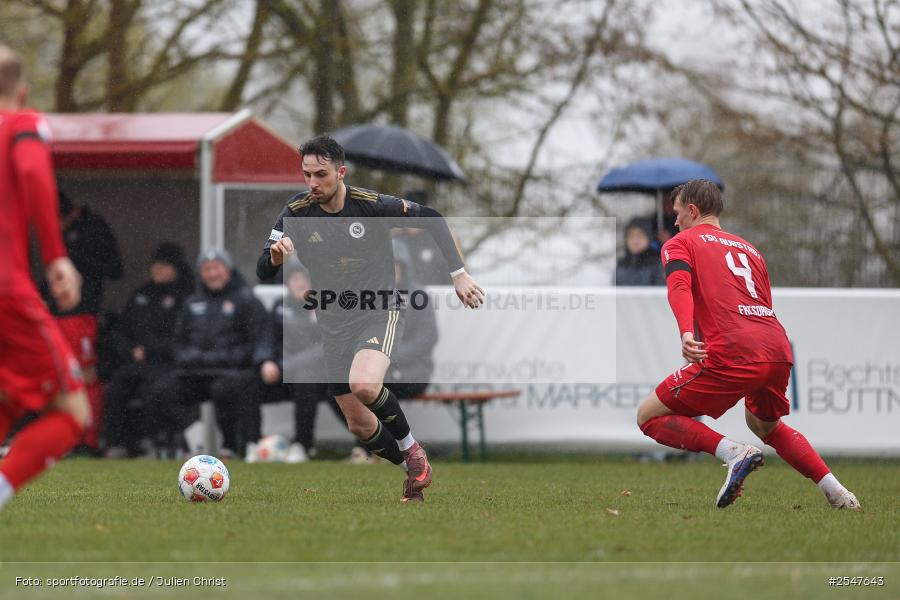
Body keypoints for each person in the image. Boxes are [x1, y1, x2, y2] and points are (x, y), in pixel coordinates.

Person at [257, 135, 484, 503]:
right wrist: (276, 258)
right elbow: (262, 268)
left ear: (341, 172)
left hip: (379, 309)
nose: (313, 183)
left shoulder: (373, 205)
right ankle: (412, 472)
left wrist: (458, 273)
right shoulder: (295, 212)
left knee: (364, 385)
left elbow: (433, 219)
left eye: (321, 174)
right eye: (306, 175)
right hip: (333, 322)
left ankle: (413, 451)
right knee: (359, 423)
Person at [635, 179, 860, 510]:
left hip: (733, 350)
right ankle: (839, 493)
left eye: (678, 212)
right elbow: (764, 301)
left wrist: (686, 331)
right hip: (776, 348)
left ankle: (732, 452)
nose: (676, 220)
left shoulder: (681, 242)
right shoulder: (749, 249)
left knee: (647, 416)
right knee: (764, 425)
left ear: (693, 211)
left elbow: (679, 287)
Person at [0, 44, 89, 511]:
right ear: (22, 90)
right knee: (73, 412)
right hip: (5, 291)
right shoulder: (22, 123)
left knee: (10, 398)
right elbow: (33, 172)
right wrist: (56, 257)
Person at [153, 249, 269, 458]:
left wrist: (225, 359)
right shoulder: (192, 302)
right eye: (207, 269)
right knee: (162, 390)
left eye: (217, 268)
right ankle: (193, 442)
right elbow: (178, 343)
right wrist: (188, 357)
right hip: (196, 371)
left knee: (223, 389)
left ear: (228, 270)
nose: (212, 274)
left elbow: (256, 342)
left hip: (232, 371)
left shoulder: (246, 299)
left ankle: (231, 446)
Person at [48, 190, 124, 453]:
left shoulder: (93, 229)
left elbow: (116, 269)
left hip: (82, 315)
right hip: (55, 316)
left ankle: (87, 440)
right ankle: (64, 439)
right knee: (56, 375)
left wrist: (80, 272)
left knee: (84, 375)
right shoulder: (59, 233)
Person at [102, 243, 194, 457]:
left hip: (167, 364)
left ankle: (156, 441)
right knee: (116, 388)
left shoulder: (186, 296)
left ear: (175, 268)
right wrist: (130, 350)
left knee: (157, 391)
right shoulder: (141, 294)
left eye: (164, 265)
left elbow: (184, 338)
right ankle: (117, 444)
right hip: (136, 362)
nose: (158, 270)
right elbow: (121, 330)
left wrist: (153, 351)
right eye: (156, 265)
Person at [255, 265, 334, 463]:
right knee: (245, 382)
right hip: (280, 374)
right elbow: (266, 339)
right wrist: (265, 361)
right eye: (295, 279)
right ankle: (250, 443)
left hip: (318, 377)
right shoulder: (279, 306)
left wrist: (283, 367)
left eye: (304, 279)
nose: (299, 283)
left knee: (305, 379)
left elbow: (324, 349)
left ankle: (303, 445)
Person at [614, 217, 665, 286]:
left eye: (640, 236)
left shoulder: (658, 264)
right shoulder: (621, 265)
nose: (635, 241)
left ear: (649, 238)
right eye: (631, 236)